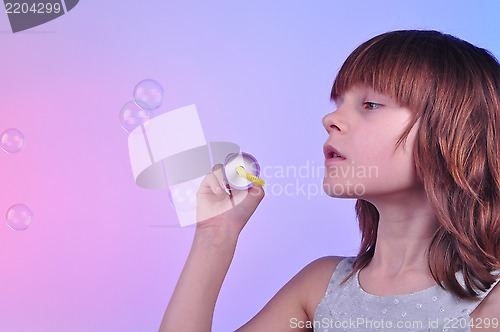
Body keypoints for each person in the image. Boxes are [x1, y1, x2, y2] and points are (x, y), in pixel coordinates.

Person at [159, 30, 500, 331]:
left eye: (370, 103)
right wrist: (215, 236)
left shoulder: (492, 304)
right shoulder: (321, 287)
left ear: (454, 132)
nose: (330, 119)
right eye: (338, 102)